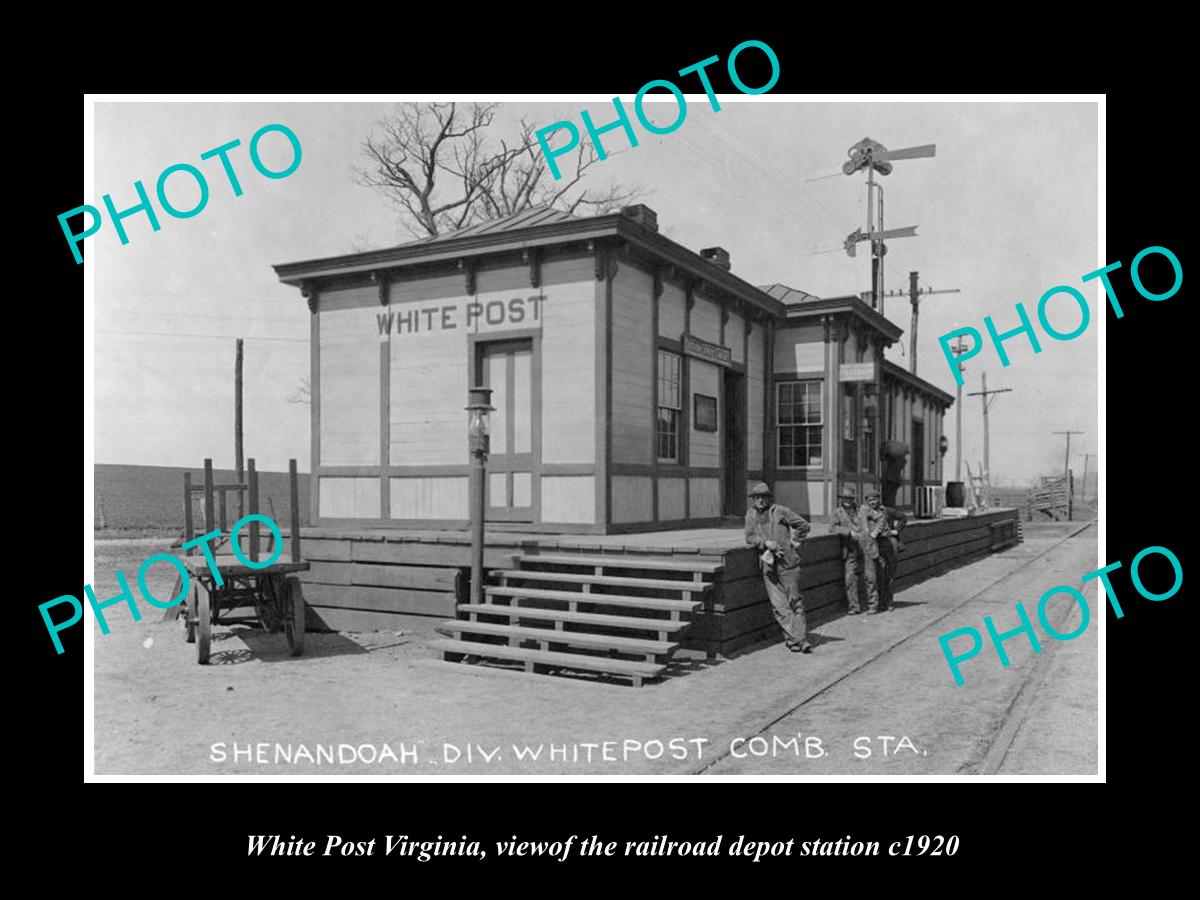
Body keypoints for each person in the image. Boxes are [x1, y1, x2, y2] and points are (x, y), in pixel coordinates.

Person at [744, 482, 812, 653]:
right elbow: (749, 536)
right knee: (779, 605)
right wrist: (765, 542)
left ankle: (798, 640)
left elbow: (804, 525)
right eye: (756, 498)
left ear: (769, 498)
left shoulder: (780, 511)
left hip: (788, 564)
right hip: (768, 565)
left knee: (795, 602)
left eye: (763, 497)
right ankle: (796, 640)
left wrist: (795, 542)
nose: (759, 501)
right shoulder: (751, 515)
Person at [858, 489, 907, 613]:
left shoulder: (887, 510)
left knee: (888, 574)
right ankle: (875, 604)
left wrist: (896, 530)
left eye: (874, 499)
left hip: (887, 543)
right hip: (872, 545)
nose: (872, 502)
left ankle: (888, 602)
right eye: (870, 500)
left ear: (878, 499)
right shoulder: (865, 511)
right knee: (873, 575)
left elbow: (903, 517)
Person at [830, 485, 866, 614]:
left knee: (870, 576)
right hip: (850, 549)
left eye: (850, 498)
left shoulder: (861, 510)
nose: (848, 501)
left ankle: (874, 604)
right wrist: (849, 532)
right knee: (850, 577)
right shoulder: (837, 512)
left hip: (864, 547)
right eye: (845, 498)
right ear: (841, 499)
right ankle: (854, 607)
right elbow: (833, 528)